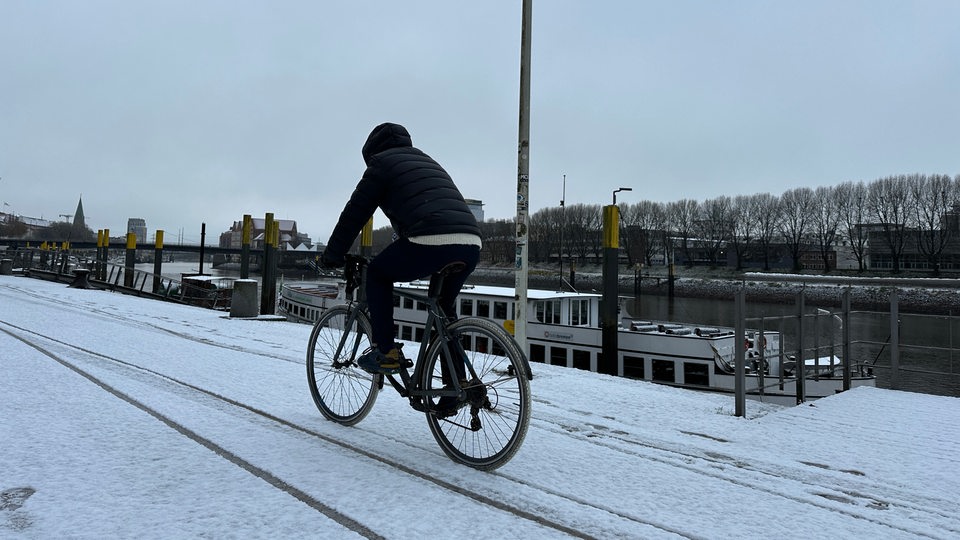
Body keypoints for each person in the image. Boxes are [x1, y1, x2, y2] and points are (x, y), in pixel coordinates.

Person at [321, 122, 482, 378]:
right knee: (443, 312)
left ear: (371, 152)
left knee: (377, 274)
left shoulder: (381, 164)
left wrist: (333, 255)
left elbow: (355, 213)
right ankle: (457, 389)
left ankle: (386, 352)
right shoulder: (426, 160)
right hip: (471, 241)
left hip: (430, 238)